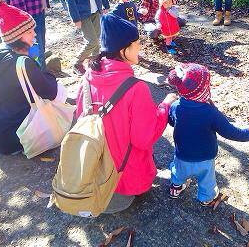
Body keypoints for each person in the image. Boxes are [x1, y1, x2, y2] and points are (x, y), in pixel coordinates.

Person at [74, 14, 178, 214]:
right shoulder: (136, 88)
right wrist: (165, 106)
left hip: (93, 164)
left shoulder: (87, 79)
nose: (140, 48)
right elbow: (144, 139)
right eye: (137, 44)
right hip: (125, 177)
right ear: (124, 50)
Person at [0, 0, 63, 155]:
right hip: (12, 136)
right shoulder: (23, 62)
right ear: (17, 37)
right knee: (58, 93)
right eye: (29, 32)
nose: (34, 34)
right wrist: (49, 74)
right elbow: (51, 91)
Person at [166, 63, 249, 205]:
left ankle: (175, 188)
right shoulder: (211, 112)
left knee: (178, 172)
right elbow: (229, 132)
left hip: (182, 154)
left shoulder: (175, 106)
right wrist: (248, 134)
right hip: (205, 157)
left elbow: (171, 121)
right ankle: (206, 198)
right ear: (204, 90)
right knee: (207, 179)